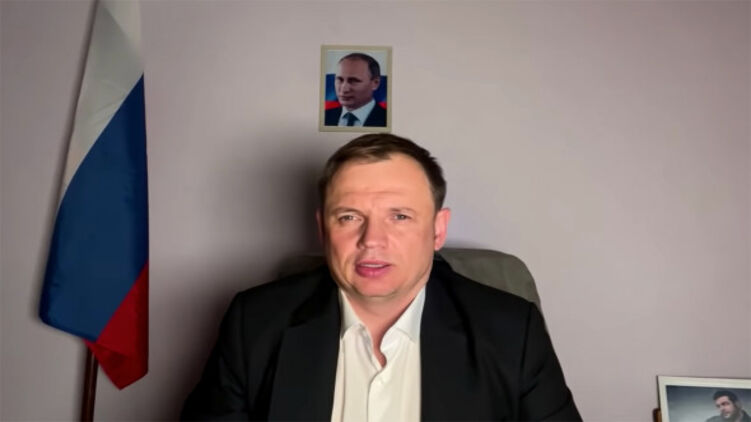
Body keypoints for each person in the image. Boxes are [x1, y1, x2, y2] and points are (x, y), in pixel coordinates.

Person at [182, 133, 581, 421]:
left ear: (438, 230)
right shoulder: (254, 322)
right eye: (349, 217)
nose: (372, 240)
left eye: (400, 217)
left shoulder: (512, 332)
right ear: (323, 230)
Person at [324, 53, 387, 127]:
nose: (344, 89)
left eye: (353, 81)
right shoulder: (325, 116)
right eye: (340, 80)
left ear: (375, 83)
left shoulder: (387, 120)